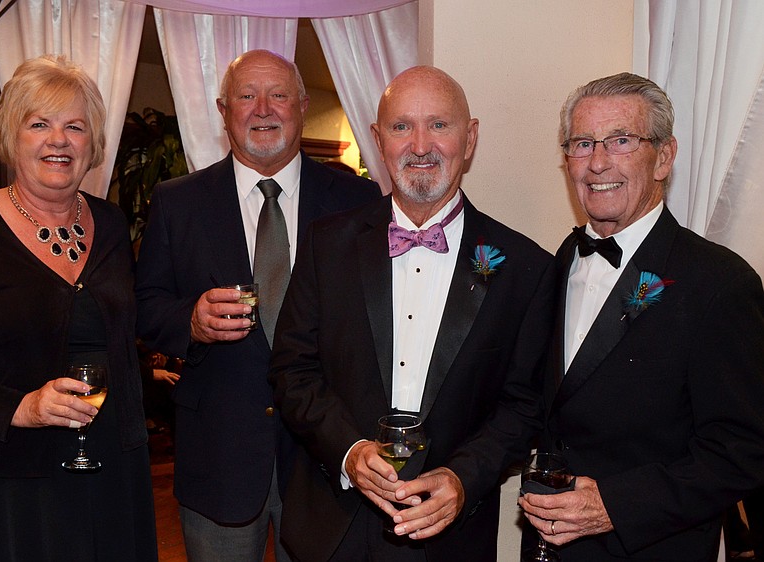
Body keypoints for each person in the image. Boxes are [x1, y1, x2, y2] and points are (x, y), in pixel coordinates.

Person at [268, 65, 555, 561]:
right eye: (402, 127)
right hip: (332, 527)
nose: (420, 145)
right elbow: (292, 369)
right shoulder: (325, 244)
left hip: (449, 535)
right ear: (379, 140)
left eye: (439, 125)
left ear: (471, 139)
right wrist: (349, 452)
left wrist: (464, 479)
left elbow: (524, 404)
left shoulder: (526, 267)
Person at [134, 49, 380, 561]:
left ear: (302, 106)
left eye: (278, 95)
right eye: (247, 96)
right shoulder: (178, 202)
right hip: (218, 458)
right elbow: (146, 305)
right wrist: (191, 322)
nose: (262, 109)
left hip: (327, 460)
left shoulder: (358, 200)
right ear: (224, 110)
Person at [0, 55, 157, 561]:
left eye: (75, 126)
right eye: (39, 124)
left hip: (111, 472)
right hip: (5, 486)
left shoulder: (112, 225)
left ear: (92, 143)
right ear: (10, 135)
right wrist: (19, 408)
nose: (59, 140)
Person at [518, 72, 764, 561]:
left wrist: (614, 506)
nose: (599, 161)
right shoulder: (561, 260)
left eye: (622, 140)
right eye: (583, 143)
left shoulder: (720, 282)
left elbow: (742, 450)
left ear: (664, 157)